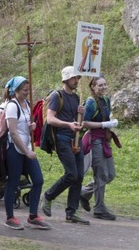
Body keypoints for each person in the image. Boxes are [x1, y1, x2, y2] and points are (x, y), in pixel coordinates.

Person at [1, 77, 51, 230]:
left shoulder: (27, 105)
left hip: (27, 148)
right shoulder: (11, 106)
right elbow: (14, 133)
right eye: (24, 90)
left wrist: (32, 126)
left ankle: (33, 216)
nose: (27, 93)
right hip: (15, 149)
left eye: (28, 90)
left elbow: (24, 127)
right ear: (15, 91)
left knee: (38, 180)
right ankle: (10, 217)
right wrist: (26, 151)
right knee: (13, 183)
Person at [42, 66, 89, 224]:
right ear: (66, 79)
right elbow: (50, 119)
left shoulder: (76, 98)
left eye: (77, 78)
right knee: (71, 174)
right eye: (74, 78)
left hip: (75, 139)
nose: (76, 80)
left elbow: (78, 123)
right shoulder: (57, 96)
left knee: (79, 176)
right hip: (62, 139)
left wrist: (80, 114)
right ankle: (48, 196)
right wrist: (69, 125)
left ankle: (71, 212)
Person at [80, 75, 118, 221]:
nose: (102, 87)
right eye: (99, 85)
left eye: (104, 85)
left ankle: (84, 192)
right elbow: (84, 123)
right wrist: (103, 125)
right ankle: (99, 208)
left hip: (105, 140)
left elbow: (105, 117)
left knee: (110, 174)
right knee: (101, 174)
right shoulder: (90, 102)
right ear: (93, 87)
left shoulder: (106, 100)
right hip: (94, 141)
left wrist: (111, 122)